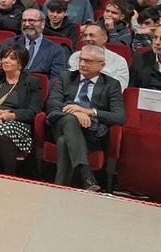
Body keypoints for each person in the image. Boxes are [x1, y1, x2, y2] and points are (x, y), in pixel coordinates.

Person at [46, 45, 126, 190]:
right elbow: (53, 103)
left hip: (90, 133)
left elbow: (119, 117)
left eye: (88, 61)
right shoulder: (67, 76)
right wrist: (76, 112)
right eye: (81, 59)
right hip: (61, 124)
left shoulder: (112, 85)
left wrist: (89, 111)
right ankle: (86, 175)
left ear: (102, 65)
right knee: (71, 120)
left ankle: (59, 189)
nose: (82, 64)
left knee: (64, 142)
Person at [6, 7, 67, 81]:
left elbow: (56, 79)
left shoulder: (56, 50)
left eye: (31, 20)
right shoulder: (10, 43)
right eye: (24, 20)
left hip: (38, 89)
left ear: (42, 24)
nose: (27, 24)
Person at [67, 21, 129, 89]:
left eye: (91, 35)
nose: (87, 39)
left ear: (104, 38)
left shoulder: (119, 62)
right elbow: (69, 83)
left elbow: (119, 89)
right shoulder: (75, 57)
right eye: (85, 35)